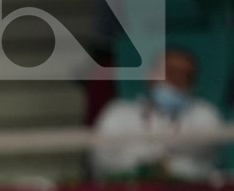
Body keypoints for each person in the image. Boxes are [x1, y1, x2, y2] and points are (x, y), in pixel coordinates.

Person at [92, 47, 223, 181]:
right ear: (151, 75)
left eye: (186, 76)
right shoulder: (117, 113)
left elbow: (203, 158)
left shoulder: (205, 114)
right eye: (171, 73)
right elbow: (102, 160)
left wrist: (167, 165)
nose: (178, 80)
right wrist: (145, 165)